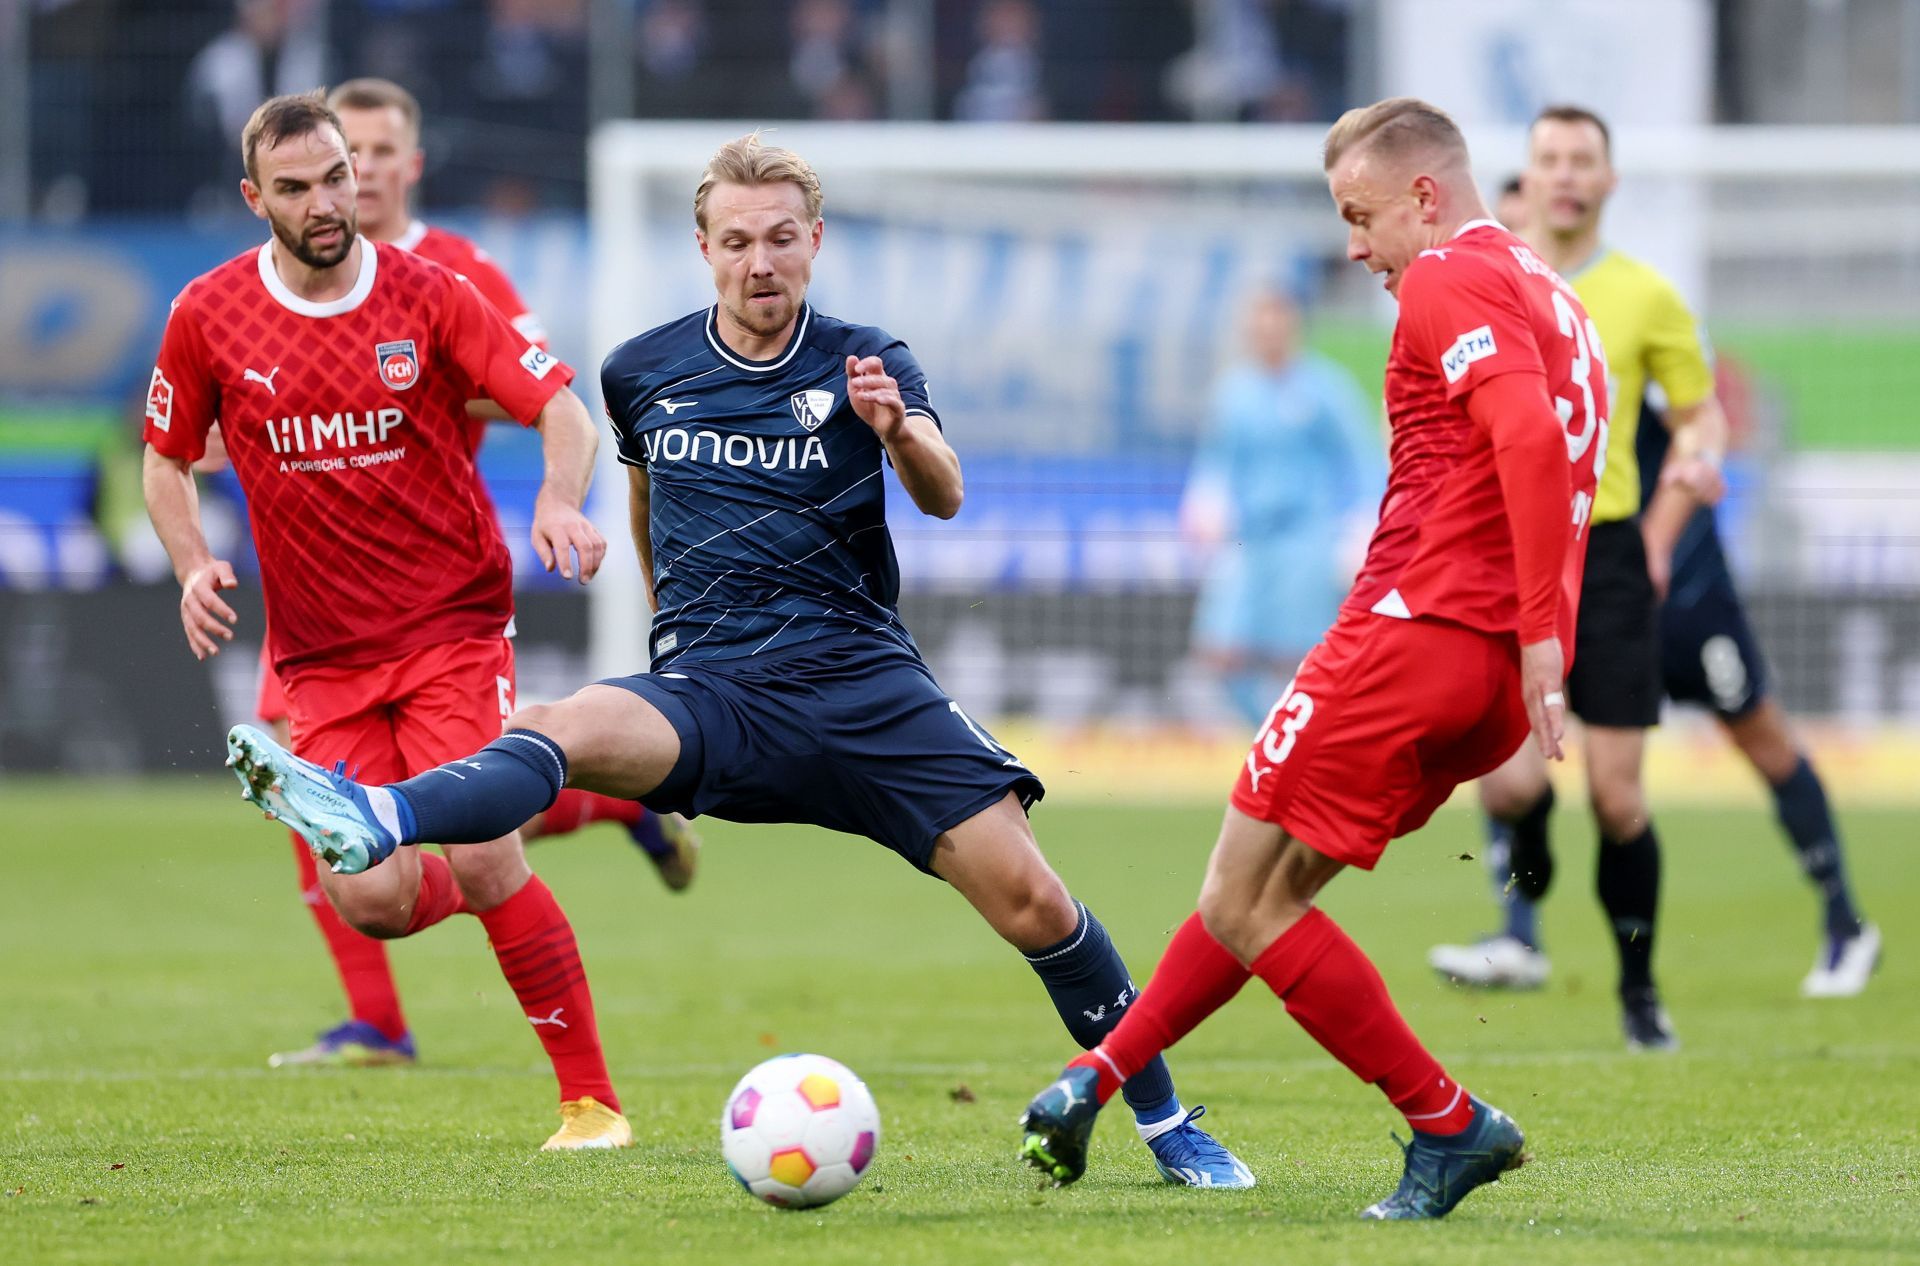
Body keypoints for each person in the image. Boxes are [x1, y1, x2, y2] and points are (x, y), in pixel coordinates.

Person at [220, 132, 1256, 1188]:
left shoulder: (869, 358)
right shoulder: (644, 370)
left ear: (816, 241)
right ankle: (382, 817)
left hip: (863, 688)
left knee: (1037, 903)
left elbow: (945, 493)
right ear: (705, 248)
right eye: (737, 242)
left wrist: (897, 433)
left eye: (781, 239)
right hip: (716, 689)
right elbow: (643, 496)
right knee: (550, 727)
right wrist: (670, 634)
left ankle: (1172, 1128)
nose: (760, 262)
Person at [1015, 97, 1607, 1220]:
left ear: (1424, 196)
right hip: (1475, 673)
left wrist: (1535, 635)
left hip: (1416, 631)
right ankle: (1093, 1083)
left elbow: (1526, 437)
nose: (1355, 246)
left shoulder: (1446, 275)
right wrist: (1536, 638)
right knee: (1262, 894)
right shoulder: (1553, 295)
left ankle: (1448, 1123)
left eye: (1360, 214)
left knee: (1242, 897)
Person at [144, 91, 629, 1150]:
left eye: (337, 180)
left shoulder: (433, 293)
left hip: (452, 626)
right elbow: (165, 457)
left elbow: (559, 404)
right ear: (253, 197)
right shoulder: (207, 315)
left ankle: (592, 1105)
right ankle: (536, 836)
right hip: (320, 657)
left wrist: (557, 499)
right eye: (297, 188)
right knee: (370, 899)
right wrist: (191, 564)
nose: (325, 203)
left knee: (493, 856)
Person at [243, 79, 698, 1072]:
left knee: (473, 822)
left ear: (404, 163)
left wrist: (420, 385)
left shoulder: (454, 271)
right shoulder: (272, 284)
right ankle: (378, 1018)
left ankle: (613, 806)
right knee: (302, 781)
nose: (351, 172)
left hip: (427, 589)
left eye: (372, 151)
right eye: (335, 153)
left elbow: (534, 383)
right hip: (315, 593)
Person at [1429, 106, 1878, 1001]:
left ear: (1607, 179)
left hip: (1646, 560)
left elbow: (1700, 417)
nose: (1559, 178)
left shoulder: (1644, 296)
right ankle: (1520, 930)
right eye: (1544, 161)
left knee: (1731, 740)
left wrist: (1677, 513)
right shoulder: (1488, 288)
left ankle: (1841, 919)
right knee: (1506, 771)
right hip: (1536, 562)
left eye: (1578, 160)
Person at [1182, 286, 1381, 725]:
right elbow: (1217, 459)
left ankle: (1298, 752)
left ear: (1293, 327)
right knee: (1222, 653)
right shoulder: (1234, 393)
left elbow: (1362, 458)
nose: (1268, 333)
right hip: (1248, 542)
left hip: (1305, 539)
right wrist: (1205, 498)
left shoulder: (1325, 389)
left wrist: (1362, 523)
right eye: (1259, 324)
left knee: (1297, 659)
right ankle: (1271, 738)